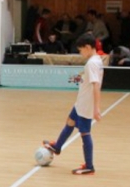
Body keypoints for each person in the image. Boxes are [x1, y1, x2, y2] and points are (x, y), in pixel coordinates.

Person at [41, 33, 102, 175]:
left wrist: (96, 108)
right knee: (70, 121)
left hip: (86, 104)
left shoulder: (92, 63)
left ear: (88, 47)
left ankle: (89, 166)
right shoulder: (96, 60)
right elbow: (87, 79)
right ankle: (57, 147)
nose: (80, 53)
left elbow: (96, 85)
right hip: (81, 101)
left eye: (81, 50)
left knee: (85, 133)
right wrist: (76, 79)